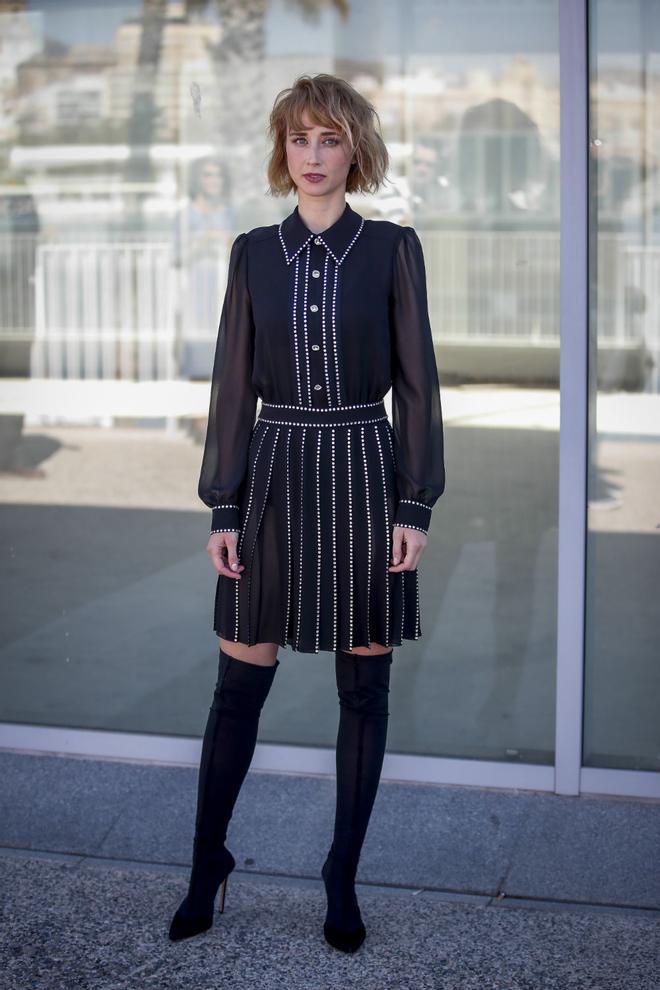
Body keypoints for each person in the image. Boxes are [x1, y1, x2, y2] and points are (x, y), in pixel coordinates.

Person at [168, 73, 445, 953]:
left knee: (363, 696)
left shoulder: (393, 248)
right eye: (299, 140)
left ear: (355, 148)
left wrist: (415, 503)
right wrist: (222, 505)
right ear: (281, 152)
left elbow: (418, 387)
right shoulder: (253, 251)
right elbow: (230, 384)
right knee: (237, 690)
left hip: (366, 473)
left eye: (330, 139)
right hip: (277, 475)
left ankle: (341, 875)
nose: (314, 156)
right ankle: (208, 862)